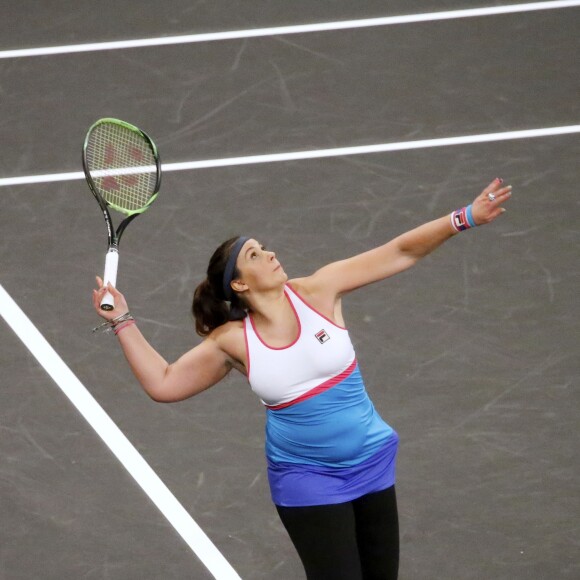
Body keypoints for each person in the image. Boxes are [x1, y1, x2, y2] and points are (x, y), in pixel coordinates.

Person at [92, 178, 512, 579]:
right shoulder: (233, 341)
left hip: (372, 461)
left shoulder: (320, 290)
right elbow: (164, 383)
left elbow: (401, 250)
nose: (270, 254)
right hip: (307, 479)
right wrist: (123, 321)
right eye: (254, 255)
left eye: (265, 248)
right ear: (238, 283)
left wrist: (465, 217)